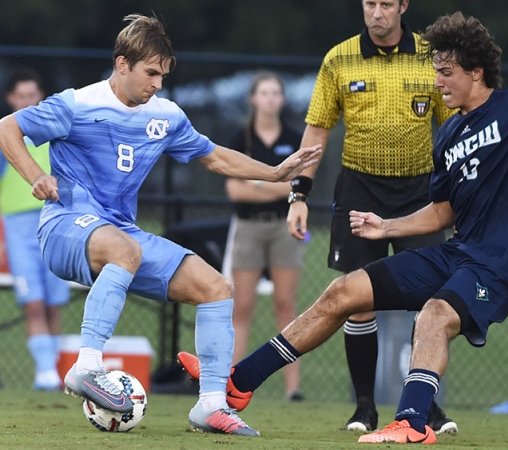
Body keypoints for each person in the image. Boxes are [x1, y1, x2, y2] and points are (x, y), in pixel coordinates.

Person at [179, 0, 508, 444]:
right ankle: (240, 383)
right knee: (344, 291)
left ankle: (412, 422)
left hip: (501, 263)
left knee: (433, 314)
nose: (438, 81)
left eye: (446, 72)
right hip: (458, 253)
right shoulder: (448, 134)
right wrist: (387, 226)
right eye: (435, 71)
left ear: (476, 72)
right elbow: (442, 212)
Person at [0, 14, 320, 437]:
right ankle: (87, 366)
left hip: (121, 237)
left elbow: (214, 156)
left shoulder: (166, 115)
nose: (157, 84)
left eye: (163, 75)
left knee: (217, 288)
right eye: (150, 73)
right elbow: (8, 127)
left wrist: (275, 173)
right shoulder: (77, 103)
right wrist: (35, 176)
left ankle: (209, 406)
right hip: (63, 228)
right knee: (124, 249)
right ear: (121, 64)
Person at [286, 0, 456, 433]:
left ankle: (426, 407)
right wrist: (299, 193)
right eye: (369, 4)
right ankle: (364, 407)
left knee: (432, 301)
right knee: (357, 301)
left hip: (420, 191)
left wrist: (463, 190)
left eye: (385, 3)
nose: (376, 13)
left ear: (402, 6)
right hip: (360, 189)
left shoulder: (431, 56)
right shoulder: (338, 58)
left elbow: (454, 125)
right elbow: (317, 129)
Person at [224, 72, 305, 401]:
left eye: (276, 93)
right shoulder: (240, 138)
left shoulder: (294, 137)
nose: (270, 99)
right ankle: (230, 383)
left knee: (286, 306)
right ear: (253, 99)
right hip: (247, 227)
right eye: (264, 93)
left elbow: (297, 185)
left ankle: (292, 388)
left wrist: (258, 184)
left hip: (284, 226)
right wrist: (274, 185)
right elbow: (234, 190)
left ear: (282, 99)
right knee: (241, 306)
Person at [0, 69, 70, 391]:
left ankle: (52, 369)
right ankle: (45, 371)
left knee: (54, 302)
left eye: (33, 95)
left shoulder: (56, 135)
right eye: (22, 95)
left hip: (55, 225)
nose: (28, 101)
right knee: (33, 302)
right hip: (18, 230)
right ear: (11, 98)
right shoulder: (3, 139)